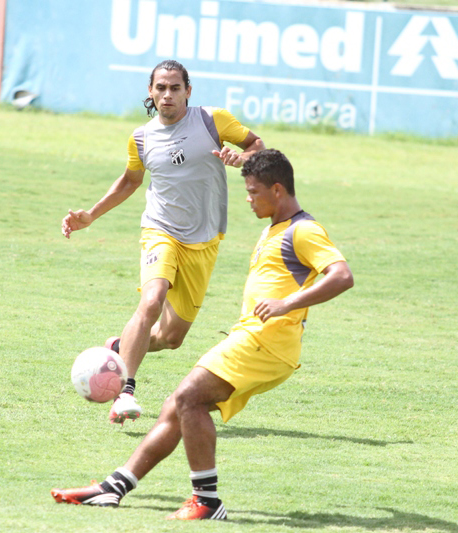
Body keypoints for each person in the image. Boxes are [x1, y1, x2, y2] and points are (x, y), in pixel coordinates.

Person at [52, 149, 354, 520]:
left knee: (188, 399)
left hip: (265, 342)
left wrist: (286, 304)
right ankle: (113, 488)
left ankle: (206, 501)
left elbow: (342, 275)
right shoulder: (275, 228)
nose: (247, 198)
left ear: (278, 190)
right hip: (256, 340)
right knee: (176, 407)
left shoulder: (303, 230)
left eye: (253, 191)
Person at [61, 59, 265, 425]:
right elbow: (129, 182)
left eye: (175, 88)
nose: (167, 95)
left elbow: (256, 146)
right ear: (150, 93)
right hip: (161, 230)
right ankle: (125, 391)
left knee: (171, 338)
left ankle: (120, 349)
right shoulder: (140, 138)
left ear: (188, 90)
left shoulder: (211, 120)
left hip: (205, 238)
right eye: (160, 88)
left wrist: (243, 157)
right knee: (152, 299)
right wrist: (90, 215)